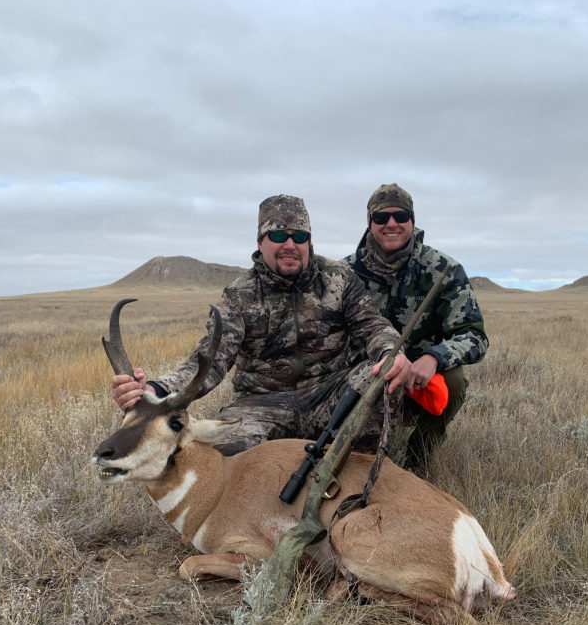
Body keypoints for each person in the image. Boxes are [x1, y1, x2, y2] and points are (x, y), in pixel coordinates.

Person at [111, 194, 411, 456]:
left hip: (329, 396)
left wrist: (390, 351)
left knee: (382, 375)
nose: (290, 245)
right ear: (260, 242)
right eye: (279, 237)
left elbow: (373, 325)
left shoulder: (339, 278)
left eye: (299, 236)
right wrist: (154, 389)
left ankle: (366, 477)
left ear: (310, 240)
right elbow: (210, 362)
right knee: (225, 458)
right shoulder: (239, 295)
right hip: (262, 404)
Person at [343, 183, 488, 474]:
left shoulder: (443, 269)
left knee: (454, 381)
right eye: (381, 218)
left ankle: (419, 459)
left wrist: (434, 357)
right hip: (363, 379)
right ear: (370, 223)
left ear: (412, 220)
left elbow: (474, 335)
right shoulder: (345, 272)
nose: (391, 224)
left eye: (401, 216)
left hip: (417, 384)